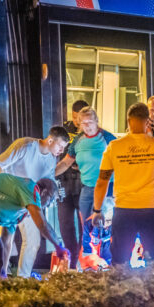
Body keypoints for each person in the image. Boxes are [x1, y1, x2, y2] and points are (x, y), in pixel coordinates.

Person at [90, 102, 154, 266]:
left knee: (120, 262)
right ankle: (152, 291)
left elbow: (102, 181)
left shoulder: (114, 147)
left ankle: (122, 290)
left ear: (128, 122)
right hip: (153, 210)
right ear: (148, 122)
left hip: (124, 211)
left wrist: (97, 210)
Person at [0, 126, 70, 277]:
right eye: (60, 146)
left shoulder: (51, 160)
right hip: (9, 199)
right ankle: (0, 277)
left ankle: (23, 278)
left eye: (63, 148)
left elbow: (47, 183)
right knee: (6, 238)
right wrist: (7, 188)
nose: (61, 151)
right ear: (50, 140)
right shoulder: (25, 146)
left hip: (28, 202)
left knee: (33, 240)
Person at [54, 106, 116, 233]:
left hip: (107, 188)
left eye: (90, 122)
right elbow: (66, 163)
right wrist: (48, 174)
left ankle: (104, 252)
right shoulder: (78, 140)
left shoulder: (108, 138)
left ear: (97, 121)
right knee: (86, 226)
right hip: (87, 187)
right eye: (84, 123)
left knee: (103, 227)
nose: (87, 126)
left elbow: (122, 162)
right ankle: (87, 251)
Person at [57, 99, 89, 269]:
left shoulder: (92, 133)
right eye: (75, 118)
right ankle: (71, 263)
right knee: (65, 225)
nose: (77, 122)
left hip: (84, 185)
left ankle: (84, 261)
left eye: (80, 118)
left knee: (85, 227)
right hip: (64, 183)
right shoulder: (64, 129)